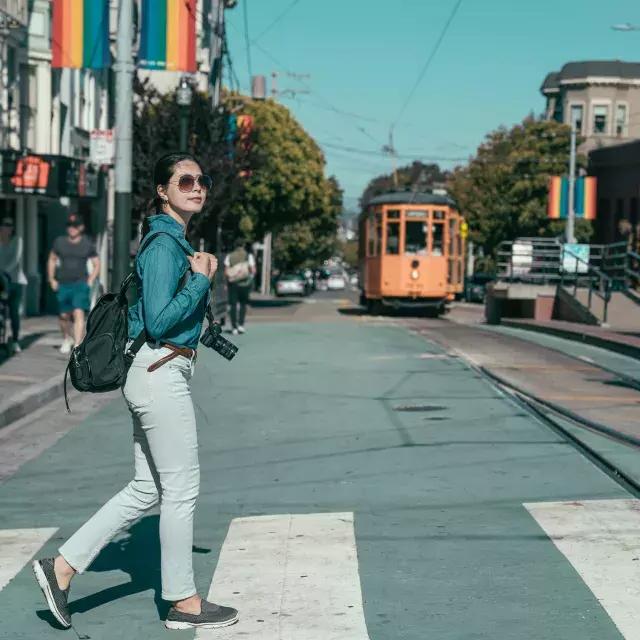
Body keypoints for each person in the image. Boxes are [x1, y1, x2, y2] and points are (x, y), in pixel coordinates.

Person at [32, 152, 239, 631]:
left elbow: (163, 316)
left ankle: (60, 569)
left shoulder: (173, 241)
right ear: (162, 191)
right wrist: (203, 281)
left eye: (201, 179)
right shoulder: (163, 246)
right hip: (160, 374)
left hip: (155, 371)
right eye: (184, 180)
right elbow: (162, 318)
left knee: (147, 487)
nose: (196, 186)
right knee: (181, 489)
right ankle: (183, 601)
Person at [47, 214, 100, 354]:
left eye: (75, 226)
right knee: (63, 315)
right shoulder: (59, 242)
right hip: (63, 283)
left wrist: (90, 280)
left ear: (81, 228)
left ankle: (77, 344)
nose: (72, 229)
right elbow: (52, 259)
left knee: (78, 312)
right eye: (70, 226)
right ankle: (66, 338)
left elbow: (96, 264)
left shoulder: (87, 244)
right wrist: (51, 279)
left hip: (80, 284)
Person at [0, 216, 27, 354]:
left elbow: (15, 259)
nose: (7, 228)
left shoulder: (17, 240)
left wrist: (4, 271)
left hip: (15, 281)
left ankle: (15, 340)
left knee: (13, 312)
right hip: (0, 281)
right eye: (5, 225)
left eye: (10, 226)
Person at [224, 238, 255, 335]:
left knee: (233, 305)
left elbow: (226, 271)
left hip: (233, 283)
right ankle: (241, 325)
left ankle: (234, 327)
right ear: (243, 245)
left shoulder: (230, 256)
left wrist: (228, 281)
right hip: (244, 283)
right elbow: (253, 270)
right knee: (243, 304)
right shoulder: (248, 255)